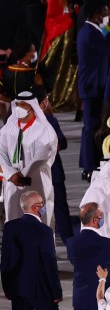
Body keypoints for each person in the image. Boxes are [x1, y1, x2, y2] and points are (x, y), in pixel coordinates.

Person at [1, 190, 76, 310]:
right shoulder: (44, 231)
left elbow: (6, 261)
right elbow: (49, 264)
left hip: (18, 288)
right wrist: (56, 292)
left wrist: (7, 288)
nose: (43, 206)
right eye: (41, 203)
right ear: (36, 208)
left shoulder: (10, 227)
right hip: (41, 289)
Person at [76, 0, 110, 176]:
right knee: (91, 128)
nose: (107, 14)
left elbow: (109, 37)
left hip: (93, 86)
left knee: (92, 127)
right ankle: (89, 168)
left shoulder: (93, 30)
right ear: (96, 14)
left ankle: (88, 165)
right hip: (92, 88)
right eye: (104, 11)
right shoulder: (90, 33)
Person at [65, 203, 110, 310]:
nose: (102, 218)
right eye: (100, 215)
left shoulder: (71, 243)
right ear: (95, 219)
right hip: (103, 299)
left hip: (82, 298)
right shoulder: (107, 243)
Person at [0, 93, 58, 227]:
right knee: (14, 223)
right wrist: (11, 174)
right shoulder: (8, 129)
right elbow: (1, 152)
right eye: (18, 104)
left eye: (24, 104)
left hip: (37, 184)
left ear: (32, 107)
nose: (19, 107)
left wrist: (23, 175)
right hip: (12, 186)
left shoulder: (44, 130)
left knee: (40, 224)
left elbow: (41, 157)